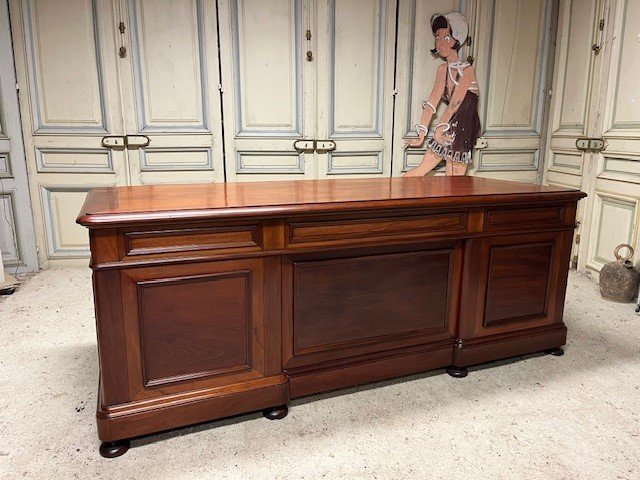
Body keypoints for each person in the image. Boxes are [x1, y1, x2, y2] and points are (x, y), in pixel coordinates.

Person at [404, 12, 481, 177]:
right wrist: (422, 133)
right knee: (420, 170)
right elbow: (432, 102)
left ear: (456, 39)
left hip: (464, 129)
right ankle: (395, 198)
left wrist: (439, 129)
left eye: (446, 37)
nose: (440, 43)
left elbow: (455, 104)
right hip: (449, 126)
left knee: (453, 181)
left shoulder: (467, 71)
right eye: (438, 37)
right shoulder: (443, 70)